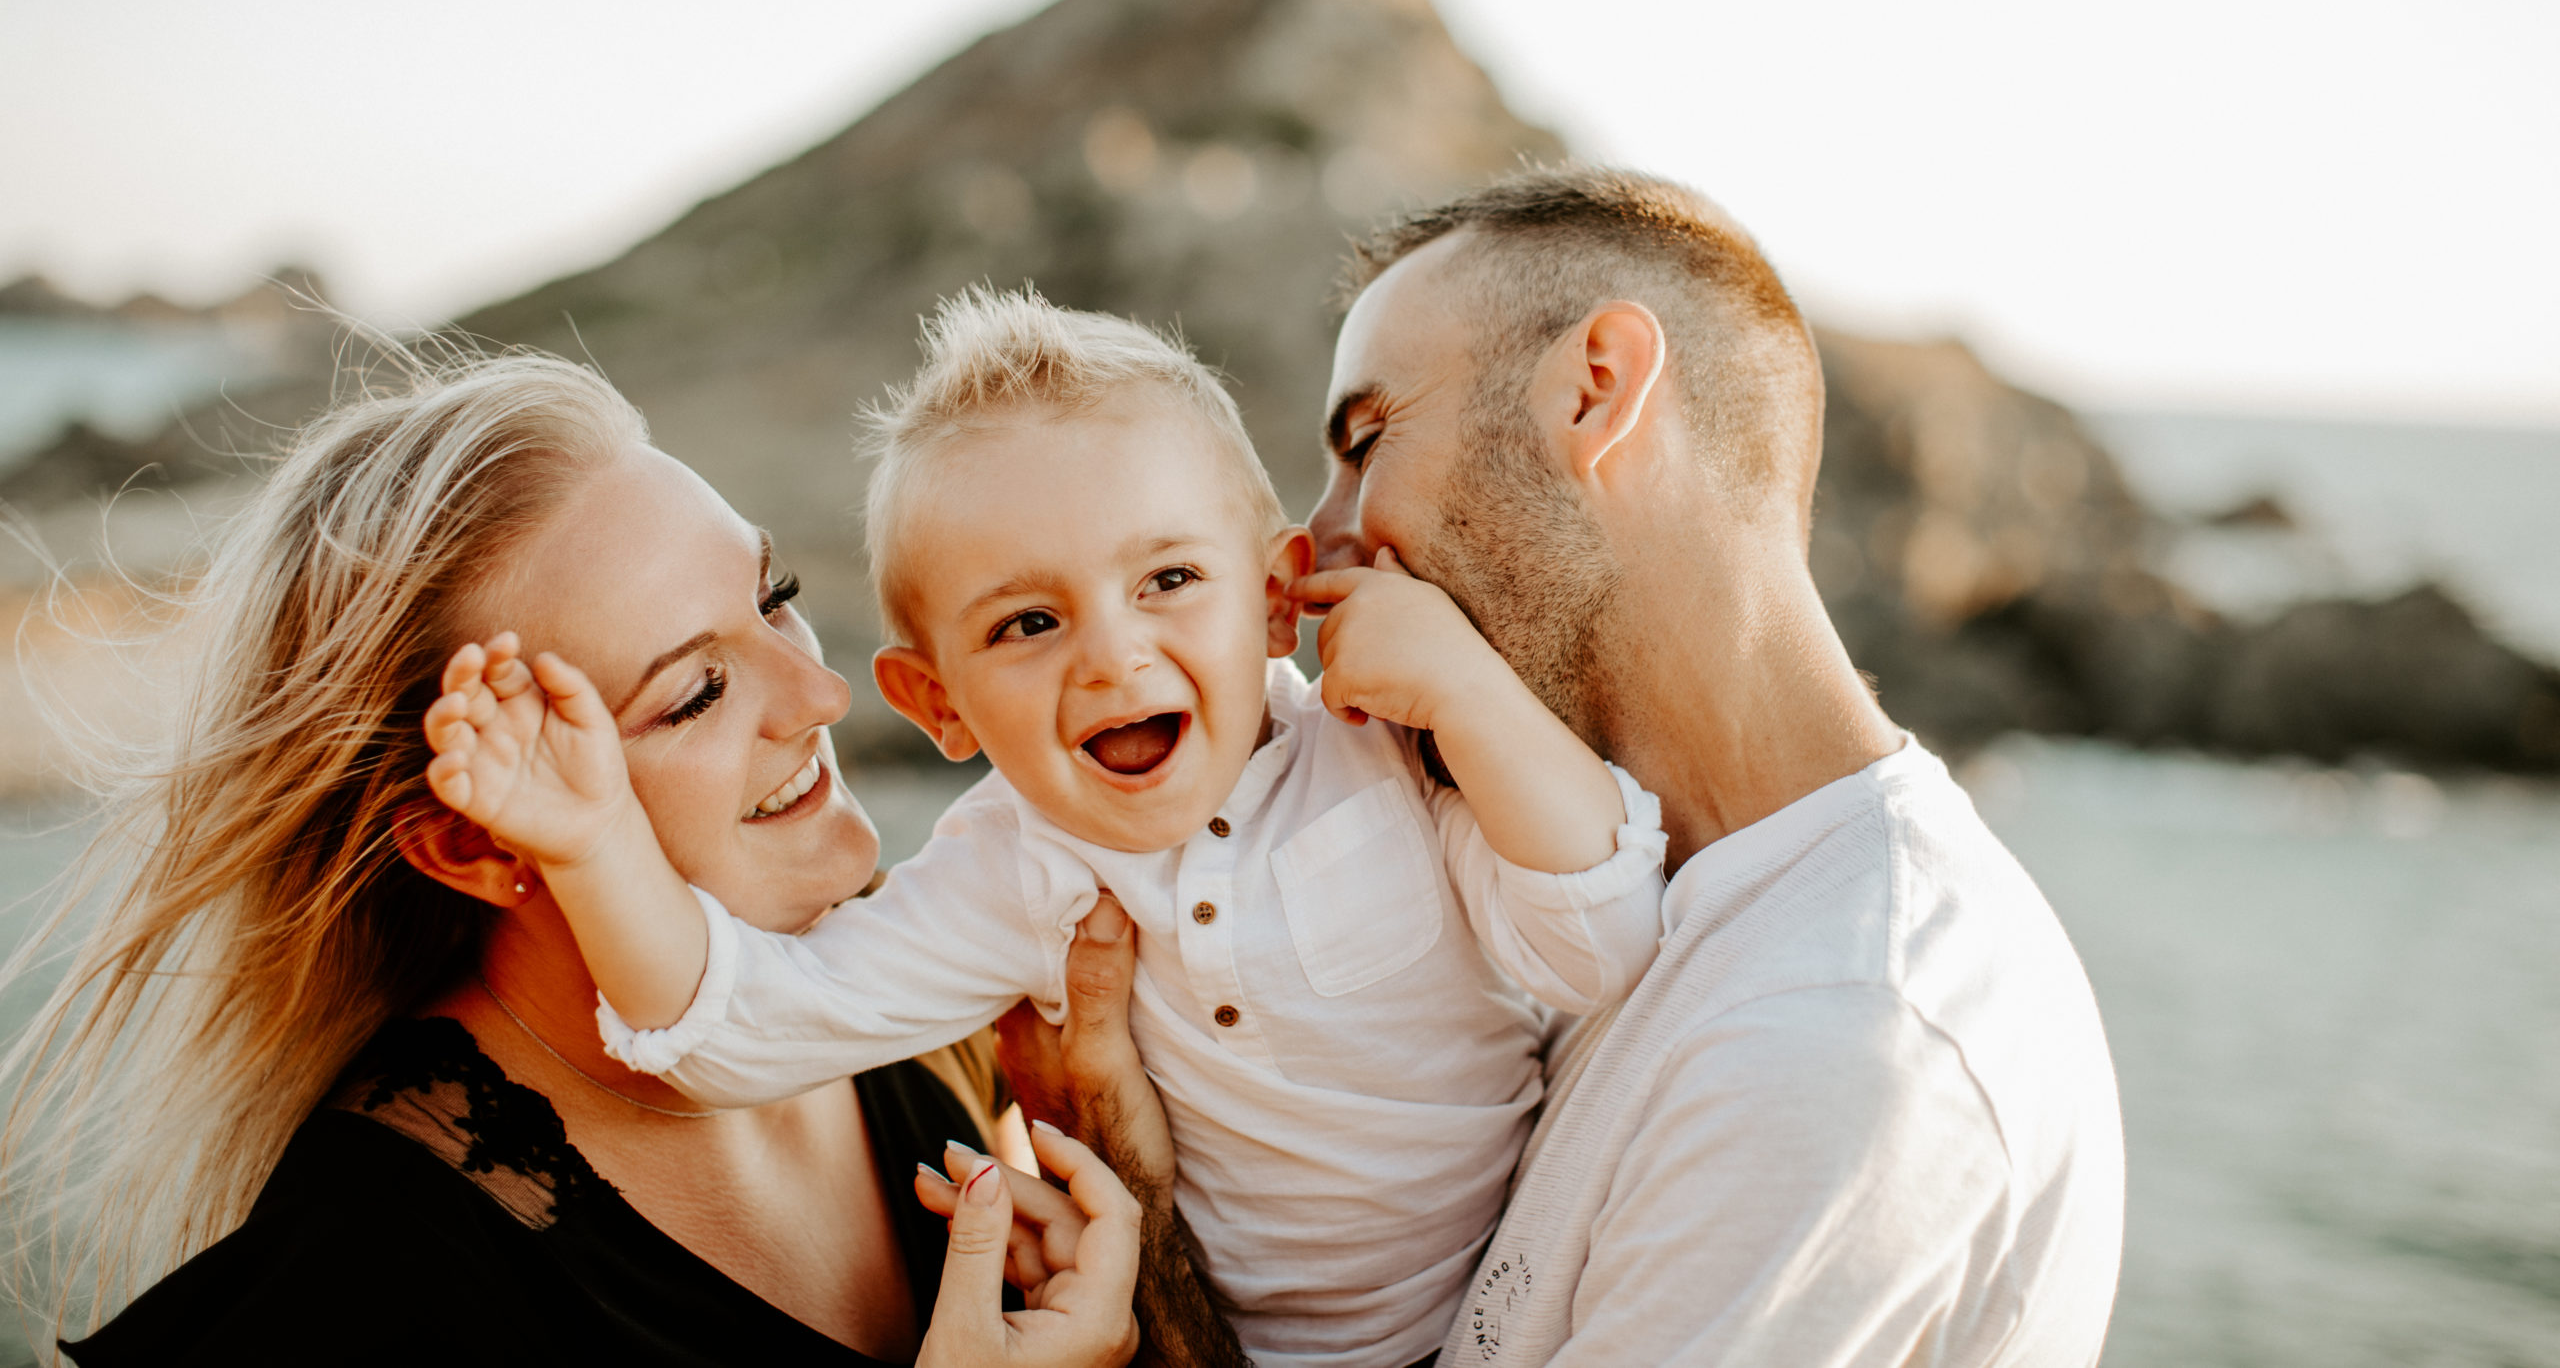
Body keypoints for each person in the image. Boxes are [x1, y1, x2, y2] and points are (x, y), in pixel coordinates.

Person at [419, 288, 1669, 1368]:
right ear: (936, 703)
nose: (1114, 657)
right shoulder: (1011, 874)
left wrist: (1471, 694)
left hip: (1564, 1298)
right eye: (1027, 624)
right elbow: (745, 1027)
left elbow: (1601, 948)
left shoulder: (1382, 747)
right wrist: (590, 844)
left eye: (1169, 581)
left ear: (1277, 597)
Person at [1030, 166, 2129, 1366]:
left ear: (1596, 392)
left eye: (1367, 439)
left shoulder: (1833, 1029)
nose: (1317, 539)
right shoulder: (1607, 903)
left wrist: (1139, 1224)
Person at [0, 351, 1140, 1368]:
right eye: (694, 693)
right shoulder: (359, 1301)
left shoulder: (923, 1004)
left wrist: (1118, 1148)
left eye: (774, 600)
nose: (822, 694)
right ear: (470, 844)